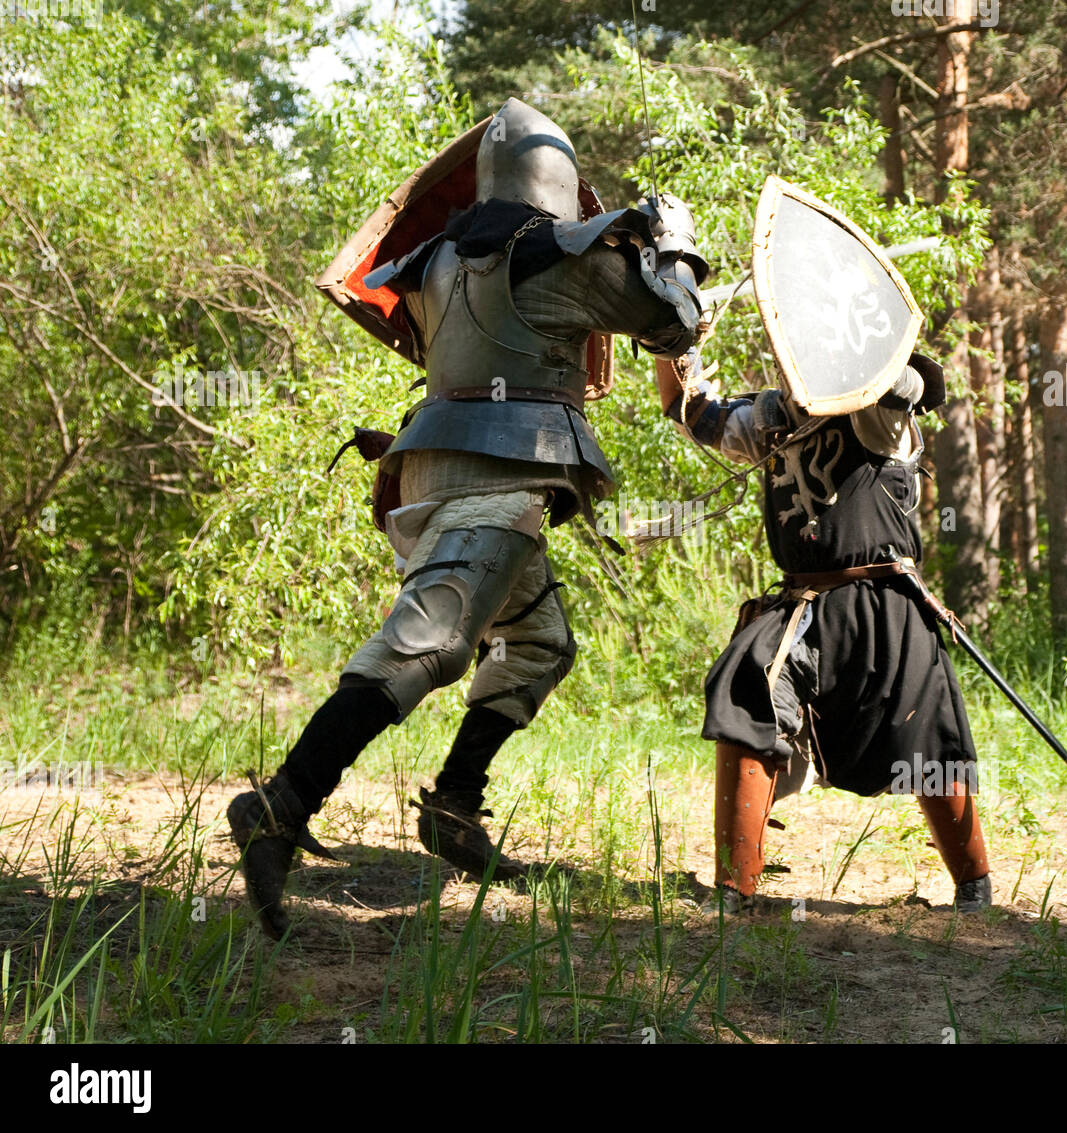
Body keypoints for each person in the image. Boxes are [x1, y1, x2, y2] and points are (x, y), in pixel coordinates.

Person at [227, 98, 708, 939]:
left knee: (540, 644)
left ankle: (453, 807)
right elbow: (672, 325)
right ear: (558, 183)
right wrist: (674, 243)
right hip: (503, 474)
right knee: (430, 645)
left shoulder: (433, 258)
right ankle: (280, 805)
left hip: (439, 462)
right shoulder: (552, 255)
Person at [654, 344, 992, 913]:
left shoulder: (877, 410)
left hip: (887, 605)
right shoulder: (773, 417)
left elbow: (902, 383)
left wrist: (860, 350)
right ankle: (734, 892)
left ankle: (974, 888)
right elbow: (689, 409)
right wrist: (671, 340)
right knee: (747, 689)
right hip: (802, 605)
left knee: (927, 737)